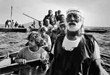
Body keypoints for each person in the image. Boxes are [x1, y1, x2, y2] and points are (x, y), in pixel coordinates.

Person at [49, 9, 109, 75]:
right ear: (66, 21)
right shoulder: (59, 40)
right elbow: (53, 63)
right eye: (69, 16)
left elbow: (97, 68)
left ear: (82, 21)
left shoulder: (90, 41)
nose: (72, 19)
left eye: (76, 16)